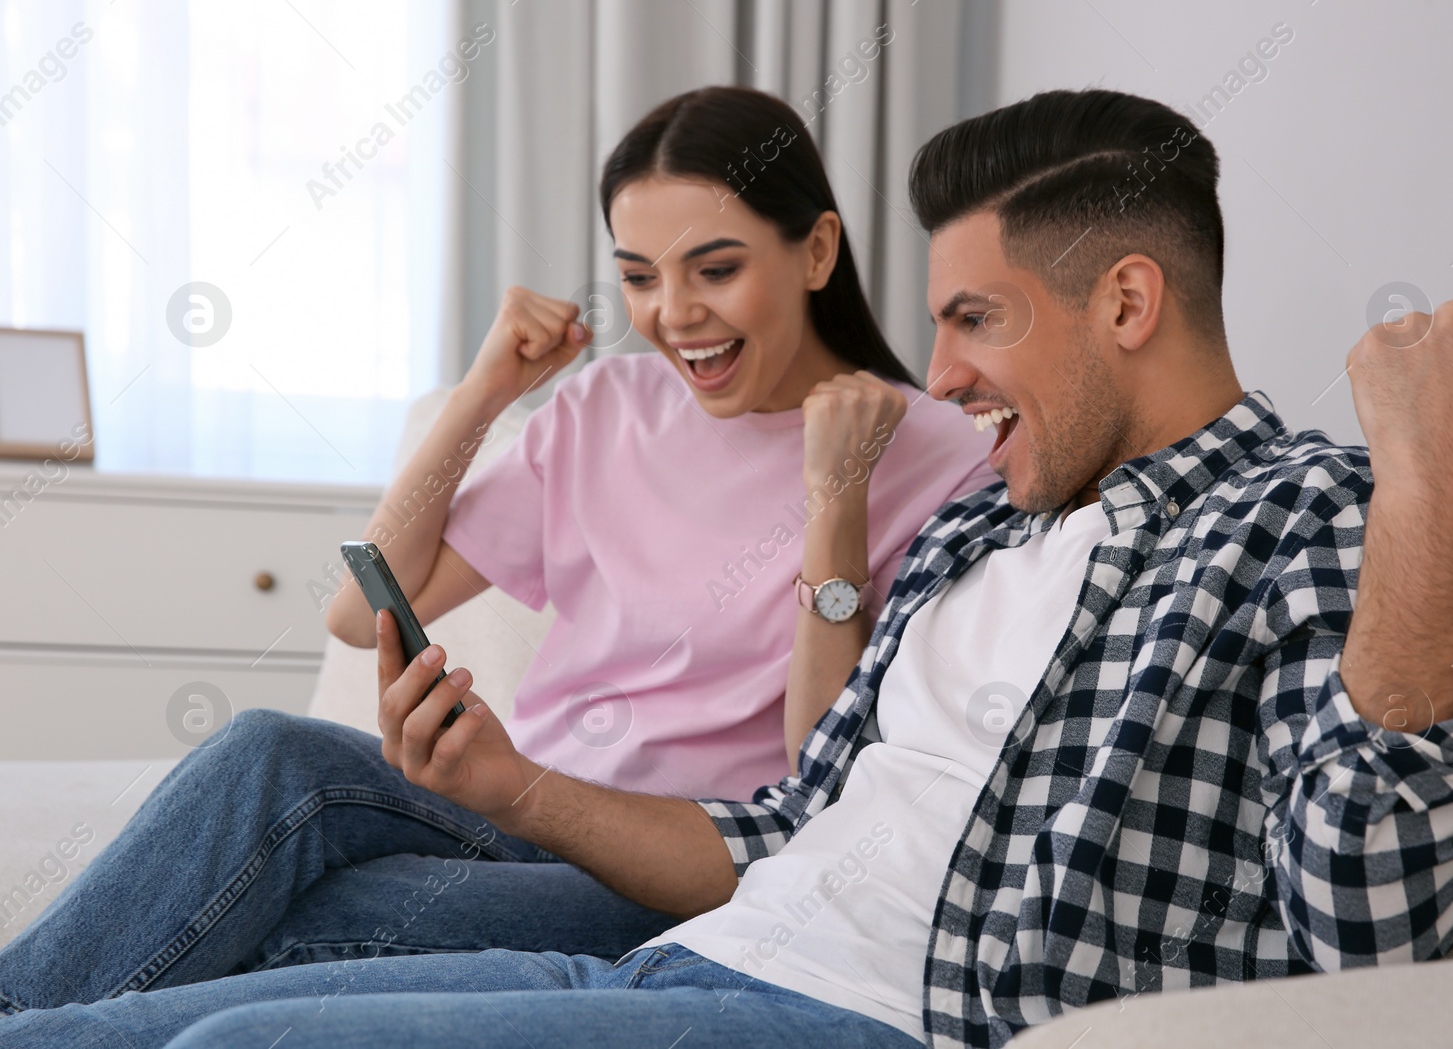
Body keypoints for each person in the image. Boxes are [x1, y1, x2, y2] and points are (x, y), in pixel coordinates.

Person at [0, 88, 1453, 1049]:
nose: (941, 370)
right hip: (707, 941)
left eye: (977, 322)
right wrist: (511, 781)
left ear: (1127, 299)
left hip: (849, 1002)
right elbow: (787, 817)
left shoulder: (1296, 512)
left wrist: (1441, 476)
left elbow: (1368, 908)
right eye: (642, 276)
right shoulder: (995, 518)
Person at [0, 87, 992, 1009]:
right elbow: (358, 614)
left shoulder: (942, 454)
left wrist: (834, 498)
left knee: (304, 913)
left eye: (715, 268)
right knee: (269, 748)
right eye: (639, 276)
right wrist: (483, 391)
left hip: (688, 867)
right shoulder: (609, 403)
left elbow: (825, 770)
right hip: (521, 809)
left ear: (816, 251)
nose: (674, 314)